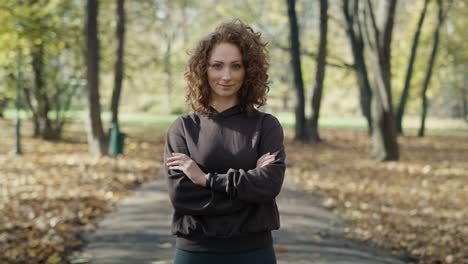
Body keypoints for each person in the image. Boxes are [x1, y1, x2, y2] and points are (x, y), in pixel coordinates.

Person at [164, 20, 286, 264]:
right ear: (203, 70)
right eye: (217, 66)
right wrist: (249, 188)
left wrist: (206, 179)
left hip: (254, 252)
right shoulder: (183, 128)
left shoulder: (266, 126)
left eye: (236, 66)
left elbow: (269, 186)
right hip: (196, 251)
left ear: (248, 70)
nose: (226, 76)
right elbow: (182, 196)